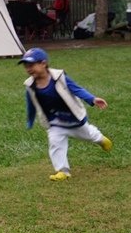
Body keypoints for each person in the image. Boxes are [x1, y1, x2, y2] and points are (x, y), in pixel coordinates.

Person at [19, 47, 112, 181]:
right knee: (55, 142)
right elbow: (31, 104)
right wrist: (30, 120)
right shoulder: (30, 85)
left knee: (88, 135)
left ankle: (101, 139)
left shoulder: (59, 77)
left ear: (43, 63)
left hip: (73, 118)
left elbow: (77, 89)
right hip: (54, 123)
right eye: (26, 66)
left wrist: (92, 99)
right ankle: (62, 171)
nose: (28, 69)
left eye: (32, 65)